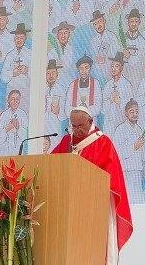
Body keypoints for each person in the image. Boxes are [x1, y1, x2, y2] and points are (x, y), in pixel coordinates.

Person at [51, 105, 133, 263]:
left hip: (93, 209)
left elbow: (110, 177)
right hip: (67, 207)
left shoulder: (102, 142)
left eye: (80, 126)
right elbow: (52, 163)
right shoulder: (66, 141)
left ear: (90, 121)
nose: (76, 130)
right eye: (73, 126)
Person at [2, 23, 32, 107]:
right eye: (17, 38)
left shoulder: (30, 54)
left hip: (25, 89)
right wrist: (13, 73)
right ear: (14, 39)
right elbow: (3, 77)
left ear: (25, 39)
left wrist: (27, 71)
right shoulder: (10, 55)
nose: (19, 40)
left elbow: (37, 76)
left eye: (21, 38)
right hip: (12, 89)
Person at [0, 89, 29, 155]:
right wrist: (7, 129)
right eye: (12, 99)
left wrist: (18, 128)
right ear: (8, 100)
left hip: (18, 151)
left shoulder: (22, 114)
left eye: (17, 99)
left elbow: (26, 138)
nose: (15, 101)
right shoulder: (4, 115)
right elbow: (0, 139)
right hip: (5, 151)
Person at [44, 59, 66, 152]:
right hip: (42, 123)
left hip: (54, 124)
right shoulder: (41, 88)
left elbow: (64, 113)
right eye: (48, 73)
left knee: (54, 147)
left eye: (53, 73)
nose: (51, 76)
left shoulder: (61, 90)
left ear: (57, 74)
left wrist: (58, 112)